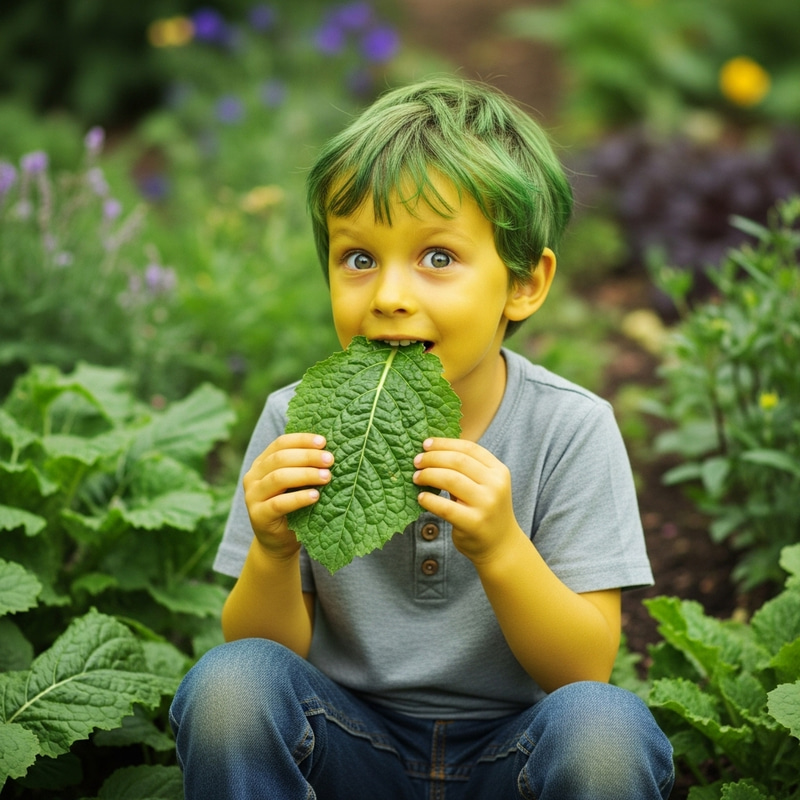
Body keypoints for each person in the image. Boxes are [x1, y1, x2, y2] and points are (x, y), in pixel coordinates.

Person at [170, 77, 675, 799]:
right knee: (228, 687)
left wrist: (503, 548)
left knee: (606, 729)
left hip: (512, 760)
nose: (389, 295)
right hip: (342, 746)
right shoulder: (301, 418)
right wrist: (274, 550)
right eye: (359, 258)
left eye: (438, 257)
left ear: (525, 284)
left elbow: (581, 669)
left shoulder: (570, 427)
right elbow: (264, 657)